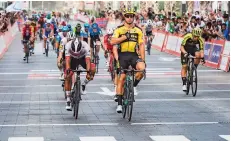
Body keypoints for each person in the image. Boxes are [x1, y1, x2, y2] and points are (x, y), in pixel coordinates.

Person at [110, 7, 146, 113]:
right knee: (122, 77)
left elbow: (141, 45)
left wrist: (143, 59)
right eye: (127, 16)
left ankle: (133, 85)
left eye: (131, 16)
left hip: (133, 55)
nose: (130, 18)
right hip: (123, 55)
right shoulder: (119, 29)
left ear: (134, 17)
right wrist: (124, 37)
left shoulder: (138, 30)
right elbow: (112, 41)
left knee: (141, 70)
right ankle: (120, 104)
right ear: (124, 17)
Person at [64, 38, 96, 111]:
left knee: (93, 68)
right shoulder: (68, 46)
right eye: (74, 51)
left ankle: (84, 84)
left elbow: (88, 61)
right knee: (67, 77)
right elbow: (68, 60)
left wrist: (88, 72)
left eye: (77, 51)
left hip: (82, 59)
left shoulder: (86, 46)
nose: (76, 52)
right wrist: (68, 69)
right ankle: (68, 99)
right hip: (72, 59)